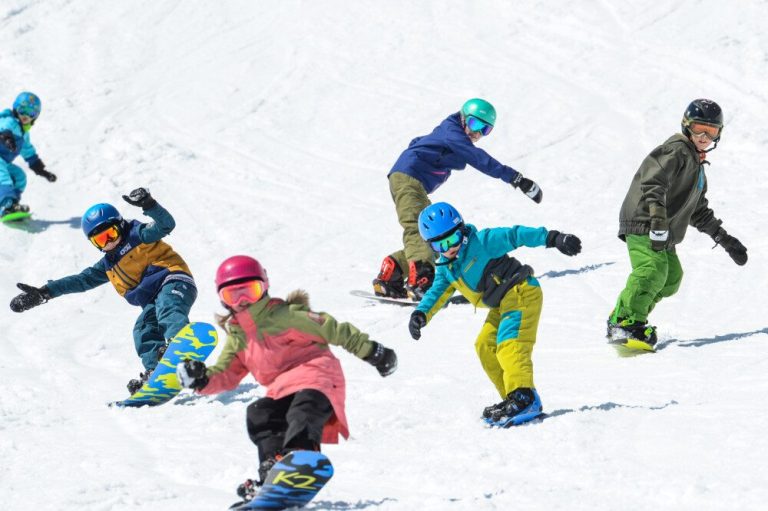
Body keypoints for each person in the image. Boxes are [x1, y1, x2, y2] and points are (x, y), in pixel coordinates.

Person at [176, 255, 397, 500]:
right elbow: (227, 373)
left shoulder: (286, 315)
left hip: (317, 378)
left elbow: (333, 329)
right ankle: (273, 471)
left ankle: (300, 458)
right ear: (222, 299)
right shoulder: (239, 336)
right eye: (233, 295)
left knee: (303, 411)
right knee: (259, 413)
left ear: (264, 287)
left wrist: (373, 352)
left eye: (249, 291)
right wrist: (202, 379)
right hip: (281, 390)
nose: (242, 301)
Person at [406, 202, 581, 426]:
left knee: (510, 344)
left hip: (521, 291)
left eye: (453, 239)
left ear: (462, 230)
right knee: (484, 346)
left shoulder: (482, 242)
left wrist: (553, 238)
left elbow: (515, 235)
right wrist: (421, 313)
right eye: (441, 244)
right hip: (501, 304)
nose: (450, 248)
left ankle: (524, 396)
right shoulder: (446, 267)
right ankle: (513, 397)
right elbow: (437, 291)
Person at [9, 188, 196, 393]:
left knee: (167, 307)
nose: (108, 242)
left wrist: (149, 204)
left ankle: (180, 347)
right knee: (143, 329)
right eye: (100, 240)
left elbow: (166, 224)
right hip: (153, 300)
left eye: (110, 234)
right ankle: (156, 371)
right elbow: (81, 280)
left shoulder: (139, 235)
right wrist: (45, 292)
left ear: (121, 225)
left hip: (173, 280)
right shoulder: (108, 265)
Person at [607, 99, 748, 350]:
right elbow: (653, 183)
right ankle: (626, 321)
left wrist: (724, 239)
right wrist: (657, 222)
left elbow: (698, 211)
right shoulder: (676, 151)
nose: (704, 137)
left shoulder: (697, 165)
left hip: (662, 229)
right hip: (644, 220)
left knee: (671, 278)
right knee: (652, 270)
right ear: (686, 126)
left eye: (711, 132)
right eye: (699, 129)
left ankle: (627, 315)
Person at [373, 98, 543, 301]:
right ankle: (420, 280)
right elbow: (477, 158)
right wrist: (516, 178)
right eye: (474, 123)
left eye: (485, 129)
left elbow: (417, 142)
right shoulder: (453, 132)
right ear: (463, 117)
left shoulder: (448, 132)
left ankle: (393, 272)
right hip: (408, 179)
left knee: (436, 236)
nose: (477, 133)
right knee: (416, 229)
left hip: (411, 181)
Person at [0, 92, 56, 217]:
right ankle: (6, 204)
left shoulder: (23, 134)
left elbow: (28, 152)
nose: (25, 115)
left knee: (19, 176)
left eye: (31, 113)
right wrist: (7, 138)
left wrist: (41, 170)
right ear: (15, 109)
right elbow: (4, 129)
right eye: (22, 110)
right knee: (3, 175)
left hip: (3, 162)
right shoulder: (9, 121)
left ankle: (12, 203)